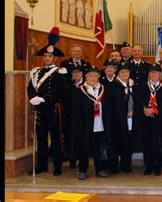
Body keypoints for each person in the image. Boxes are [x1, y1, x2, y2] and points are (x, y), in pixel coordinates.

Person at [27, 27, 68, 176]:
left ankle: (57, 165)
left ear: (54, 58)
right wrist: (32, 98)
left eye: (50, 56)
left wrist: (45, 98)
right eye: (45, 56)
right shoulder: (36, 71)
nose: (47, 58)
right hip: (40, 109)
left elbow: (61, 89)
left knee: (56, 138)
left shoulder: (59, 72)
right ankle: (42, 165)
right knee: (41, 138)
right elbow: (30, 87)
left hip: (53, 108)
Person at [72, 65, 111, 180]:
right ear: (86, 77)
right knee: (84, 147)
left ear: (99, 77)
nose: (93, 78)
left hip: (100, 124)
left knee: (99, 147)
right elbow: (75, 110)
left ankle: (99, 169)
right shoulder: (80, 91)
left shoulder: (104, 89)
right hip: (85, 125)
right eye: (90, 76)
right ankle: (83, 169)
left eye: (95, 76)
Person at [135, 63, 162, 176]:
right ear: (149, 74)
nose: (154, 74)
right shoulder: (142, 85)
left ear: (160, 74)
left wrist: (156, 111)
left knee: (158, 143)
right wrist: (145, 109)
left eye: (156, 72)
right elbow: (138, 100)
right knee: (146, 142)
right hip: (146, 119)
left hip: (160, 119)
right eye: (152, 73)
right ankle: (148, 166)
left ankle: (157, 166)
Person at [107, 62, 135, 174]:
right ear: (118, 73)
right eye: (122, 72)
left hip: (131, 119)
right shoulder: (112, 86)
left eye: (126, 72)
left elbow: (138, 100)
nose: (124, 74)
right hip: (116, 120)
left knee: (128, 142)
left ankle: (126, 164)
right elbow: (108, 105)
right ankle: (114, 165)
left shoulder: (134, 85)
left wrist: (133, 110)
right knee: (115, 142)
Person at [64, 64, 85, 169]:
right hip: (70, 117)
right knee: (70, 139)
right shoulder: (67, 85)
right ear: (71, 74)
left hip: (83, 118)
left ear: (82, 74)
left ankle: (82, 161)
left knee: (82, 140)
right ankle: (72, 160)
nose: (76, 74)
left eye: (79, 72)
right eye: (74, 72)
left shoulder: (86, 85)